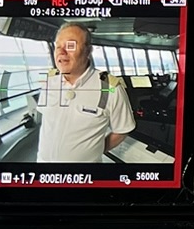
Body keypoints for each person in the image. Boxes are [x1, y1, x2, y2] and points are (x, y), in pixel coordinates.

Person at [31, 20, 134, 163]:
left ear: (88, 51)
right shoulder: (50, 82)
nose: (61, 52)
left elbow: (122, 130)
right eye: (58, 46)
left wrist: (95, 150)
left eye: (70, 46)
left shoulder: (110, 88)